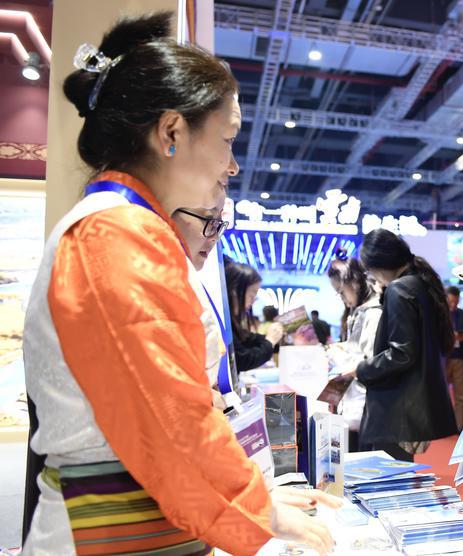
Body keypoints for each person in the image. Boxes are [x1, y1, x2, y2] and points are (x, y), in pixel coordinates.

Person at [21, 13, 336, 554]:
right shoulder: (115, 232)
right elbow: (171, 415)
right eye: (228, 140)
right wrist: (259, 509)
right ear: (171, 132)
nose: (232, 166)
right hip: (114, 530)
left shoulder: (123, 226)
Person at [354, 229, 458, 461]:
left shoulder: (400, 288)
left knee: (388, 474)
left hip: (396, 407)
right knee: (398, 471)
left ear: (378, 266)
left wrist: (361, 369)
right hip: (410, 405)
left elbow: (402, 353)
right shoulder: (419, 283)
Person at [171, 197, 230, 408]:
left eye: (219, 225)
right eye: (208, 220)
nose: (215, 237)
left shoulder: (187, 277)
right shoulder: (155, 275)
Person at [327, 257, 383, 449]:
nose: (342, 298)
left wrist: (338, 355)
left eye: (341, 292)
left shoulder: (373, 312)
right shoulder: (360, 311)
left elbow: (369, 359)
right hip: (358, 400)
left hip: (366, 402)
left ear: (354, 283)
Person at [225, 259, 284, 372]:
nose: (253, 301)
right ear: (234, 291)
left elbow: (248, 339)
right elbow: (242, 359)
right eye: (251, 295)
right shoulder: (223, 323)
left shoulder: (231, 322)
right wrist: (270, 341)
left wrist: (274, 338)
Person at [445, 286, 463, 431]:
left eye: (455, 302)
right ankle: (441, 426)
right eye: (450, 301)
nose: (453, 305)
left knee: (460, 397)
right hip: (443, 359)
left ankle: (459, 427)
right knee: (439, 394)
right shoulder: (439, 314)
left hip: (460, 359)